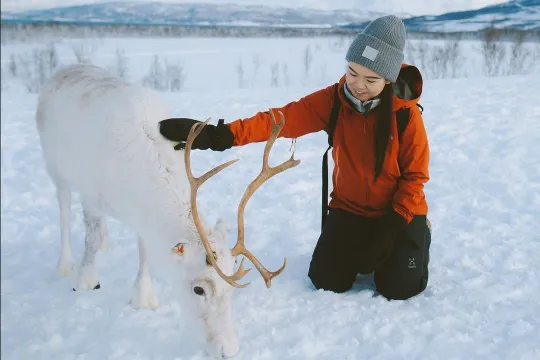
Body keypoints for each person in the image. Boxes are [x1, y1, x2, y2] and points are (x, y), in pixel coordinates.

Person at [159, 15, 431, 301]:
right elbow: (281, 119)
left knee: (399, 288)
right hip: (350, 209)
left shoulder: (405, 115)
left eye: (371, 79)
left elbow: (416, 177)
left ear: (388, 79)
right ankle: (362, 241)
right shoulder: (334, 100)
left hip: (398, 212)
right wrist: (222, 135)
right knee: (327, 280)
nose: (358, 84)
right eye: (352, 72)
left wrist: (395, 226)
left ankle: (419, 234)